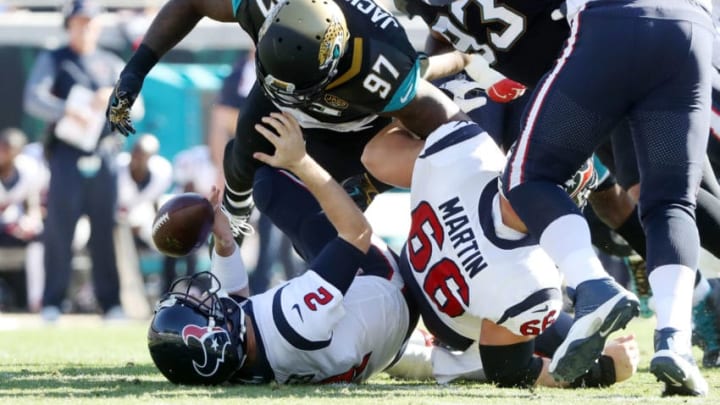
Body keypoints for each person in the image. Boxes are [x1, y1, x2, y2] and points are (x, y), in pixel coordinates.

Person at [106, 0, 468, 250]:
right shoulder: (265, 6)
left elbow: (455, 137)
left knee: (324, 234)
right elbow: (193, 3)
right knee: (249, 171)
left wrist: (374, 181)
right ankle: (233, 229)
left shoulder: (381, 66)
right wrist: (135, 70)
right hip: (274, 103)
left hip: (356, 132)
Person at [497, 0, 714, 396]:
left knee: (527, 177)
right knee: (671, 202)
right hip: (690, 28)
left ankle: (593, 286)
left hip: (612, 22)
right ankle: (675, 342)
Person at [362, 116, 638, 388]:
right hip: (450, 327)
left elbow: (374, 156)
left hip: (391, 285)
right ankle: (428, 358)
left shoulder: (473, 155)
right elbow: (507, 371)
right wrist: (602, 372)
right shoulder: (533, 277)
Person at [147, 112, 415, 385]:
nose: (203, 300)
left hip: (382, 343)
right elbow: (357, 232)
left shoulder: (242, 368)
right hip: (389, 285)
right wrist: (301, 161)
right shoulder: (292, 320)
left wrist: (224, 239)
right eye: (200, 310)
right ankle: (377, 165)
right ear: (215, 335)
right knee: (270, 184)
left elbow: (237, 302)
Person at [23, 0, 143, 321]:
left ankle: (111, 304)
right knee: (59, 230)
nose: (85, 26)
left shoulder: (110, 62)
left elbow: (137, 106)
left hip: (104, 153)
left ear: (99, 24)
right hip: (65, 154)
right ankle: (52, 302)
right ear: (68, 24)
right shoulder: (55, 59)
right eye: (79, 21)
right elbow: (33, 98)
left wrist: (113, 100)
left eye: (90, 21)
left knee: (106, 230)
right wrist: (66, 109)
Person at [0, 128, 48, 312]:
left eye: (7, 148)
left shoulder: (29, 169)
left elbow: (32, 206)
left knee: (39, 236)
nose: (2, 152)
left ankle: (37, 300)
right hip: (4, 224)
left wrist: (29, 221)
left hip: (12, 224)